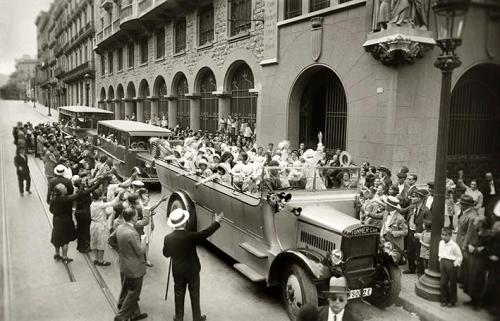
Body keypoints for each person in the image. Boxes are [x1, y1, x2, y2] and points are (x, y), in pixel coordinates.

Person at [163, 209, 224, 321]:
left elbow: (166, 254)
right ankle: (197, 317)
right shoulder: (190, 236)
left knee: (179, 294)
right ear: (183, 222)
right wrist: (217, 222)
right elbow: (205, 233)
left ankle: (179, 318)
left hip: (178, 271)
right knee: (195, 295)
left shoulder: (168, 238)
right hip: (192, 270)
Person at [50, 178, 104, 264]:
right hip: (65, 220)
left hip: (56, 219)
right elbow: (77, 195)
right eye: (64, 188)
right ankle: (65, 256)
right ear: (62, 192)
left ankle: (57, 254)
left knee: (57, 237)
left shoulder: (53, 199)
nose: (66, 188)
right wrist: (82, 186)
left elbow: (51, 210)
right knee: (65, 240)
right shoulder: (66, 199)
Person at [109, 208, 148, 321]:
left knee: (126, 288)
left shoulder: (120, 227)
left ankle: (134, 313)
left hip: (124, 265)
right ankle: (121, 316)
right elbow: (140, 251)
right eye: (136, 214)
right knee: (133, 293)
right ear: (133, 217)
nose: (138, 216)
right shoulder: (132, 233)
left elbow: (111, 240)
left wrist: (120, 251)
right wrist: (144, 241)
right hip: (134, 269)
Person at [403, 189, 431, 275]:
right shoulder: (412, 207)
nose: (412, 198)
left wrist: (422, 234)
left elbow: (428, 224)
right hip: (411, 232)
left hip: (419, 234)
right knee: (410, 252)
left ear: (420, 198)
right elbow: (403, 211)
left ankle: (420, 271)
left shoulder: (426, 210)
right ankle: (411, 269)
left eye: (414, 197)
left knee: (419, 254)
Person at [90, 190, 121, 266]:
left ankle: (96, 258)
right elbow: (113, 203)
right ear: (99, 197)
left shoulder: (92, 204)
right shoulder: (100, 204)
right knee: (102, 242)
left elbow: (104, 212)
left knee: (94, 242)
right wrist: (119, 195)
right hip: (101, 225)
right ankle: (101, 260)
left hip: (93, 224)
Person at [438, 227, 463, 307]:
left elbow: (459, 257)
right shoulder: (441, 243)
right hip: (443, 263)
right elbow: (440, 252)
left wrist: (455, 264)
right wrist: (441, 260)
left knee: (452, 283)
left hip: (451, 264)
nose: (443, 237)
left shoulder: (454, 245)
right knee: (443, 282)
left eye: (445, 235)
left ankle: (452, 300)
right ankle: (443, 300)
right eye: (442, 235)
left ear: (450, 236)